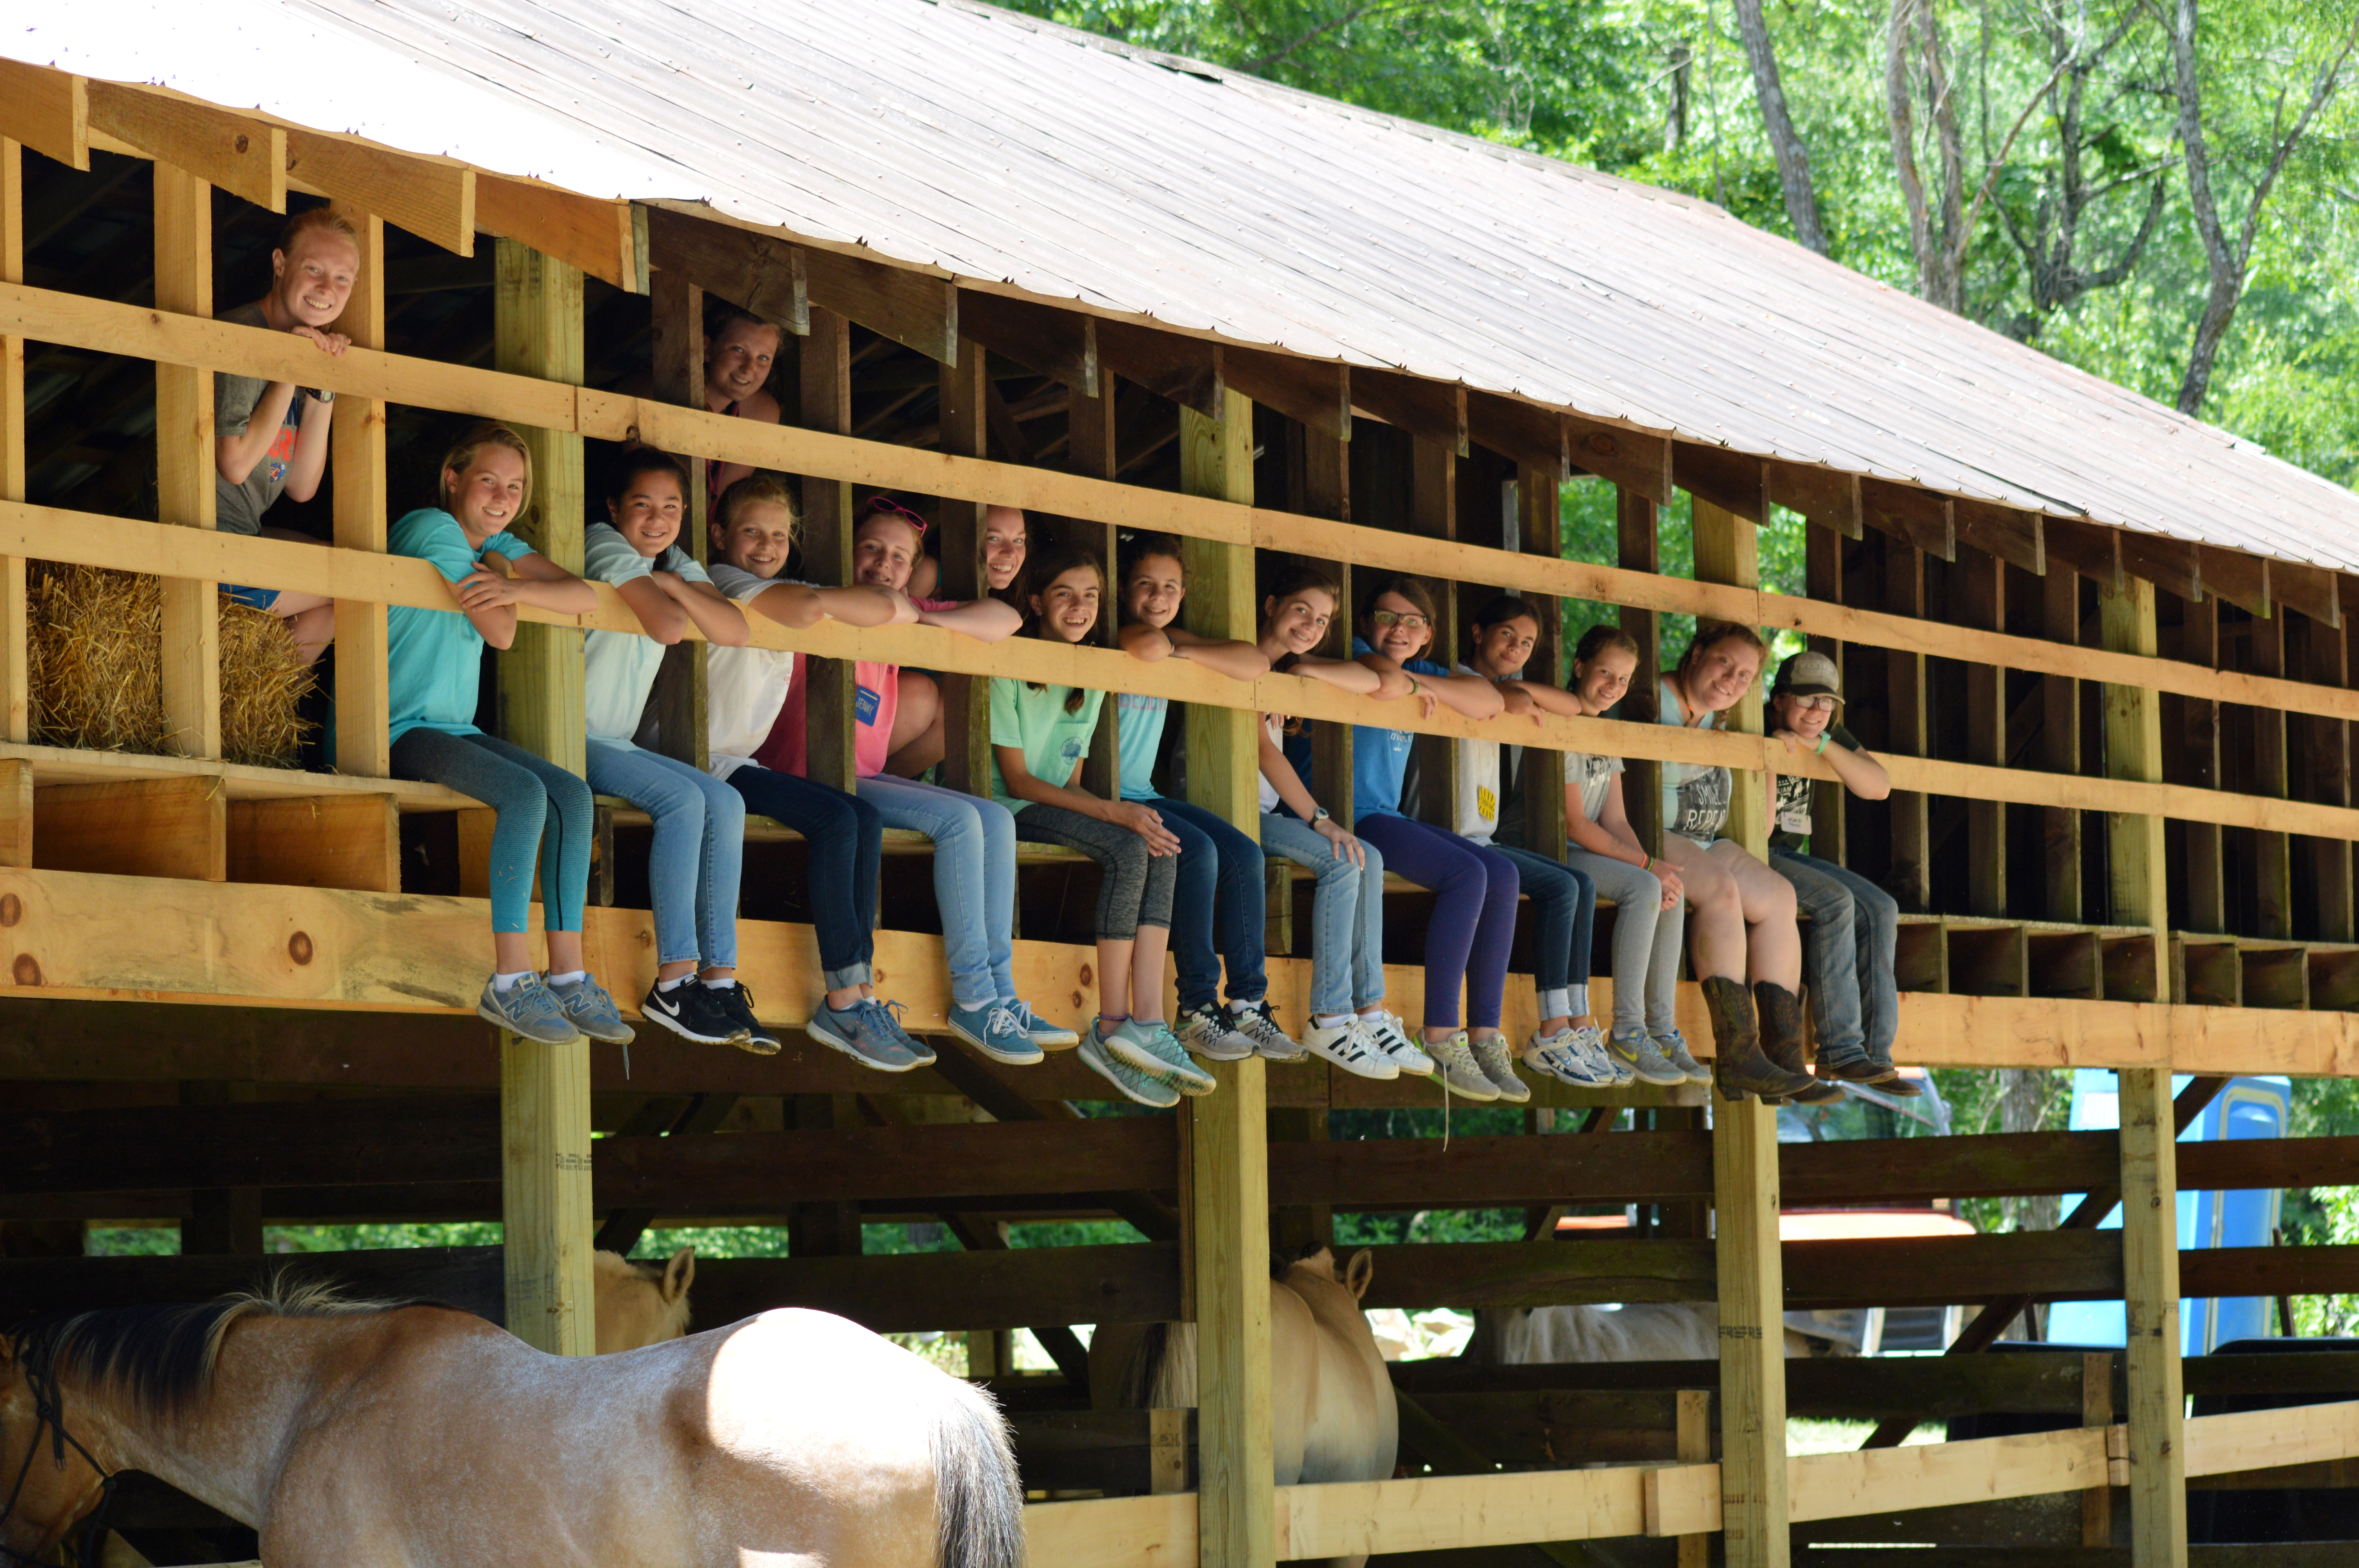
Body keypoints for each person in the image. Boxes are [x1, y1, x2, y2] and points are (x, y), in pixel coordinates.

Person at [751, 493, 1074, 1066]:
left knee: (994, 817)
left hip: (863, 775)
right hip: (808, 776)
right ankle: (974, 999)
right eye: (871, 549)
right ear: (845, 552)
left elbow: (1007, 619)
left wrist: (918, 613)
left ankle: (1002, 993)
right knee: (958, 822)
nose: (883, 564)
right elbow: (859, 606)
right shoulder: (819, 598)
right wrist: (892, 606)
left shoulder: (904, 608)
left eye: (899, 557)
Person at [385, 422, 630, 1047]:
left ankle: (570, 976)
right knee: (524, 797)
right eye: (488, 480)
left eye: (515, 487)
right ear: (453, 479)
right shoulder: (430, 528)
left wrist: (510, 578)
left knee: (572, 796)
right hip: (397, 728)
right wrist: (504, 578)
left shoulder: (494, 544)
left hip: (454, 728)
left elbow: (582, 599)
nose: (502, 497)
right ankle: (510, 980)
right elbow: (502, 632)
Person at [990, 544, 1216, 1107]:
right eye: (1064, 594)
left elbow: (1071, 780)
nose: (1080, 606)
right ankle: (1111, 1024)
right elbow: (1017, 781)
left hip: (1052, 804)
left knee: (1161, 844)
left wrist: (1126, 816)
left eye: (1090, 596)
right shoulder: (1009, 663)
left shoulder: (1090, 673)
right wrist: (1114, 812)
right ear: (1038, 601)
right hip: (1002, 808)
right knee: (1128, 848)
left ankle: (1148, 1021)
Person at [581, 450, 775, 1053]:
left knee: (725, 802)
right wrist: (676, 588)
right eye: (643, 505)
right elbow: (669, 626)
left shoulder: (668, 560)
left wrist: (670, 579)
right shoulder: (603, 543)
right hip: (571, 736)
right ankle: (672, 983)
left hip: (614, 739)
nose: (658, 518)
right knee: (684, 803)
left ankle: (718, 980)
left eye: (671, 507)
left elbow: (736, 631)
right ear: (616, 508)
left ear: (687, 512)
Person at [1114, 534, 1299, 1063]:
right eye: (1145, 584)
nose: (1158, 595)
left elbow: (1254, 663)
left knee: (1245, 853)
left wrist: (1185, 651)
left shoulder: (1172, 640)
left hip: (1143, 792)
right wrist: (1175, 648)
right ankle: (1196, 1006)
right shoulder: (1123, 633)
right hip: (1105, 793)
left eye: (1171, 586)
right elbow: (1147, 647)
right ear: (1125, 588)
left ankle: (1246, 1002)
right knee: (1198, 850)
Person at [1349, 575, 1529, 1104]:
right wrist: (1414, 684)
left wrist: (1426, 686)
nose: (1398, 630)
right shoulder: (1360, 656)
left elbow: (1487, 697)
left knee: (1504, 874)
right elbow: (1381, 676)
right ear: (1366, 624)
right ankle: (1441, 1036)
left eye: (1413, 622)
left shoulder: (1418, 670)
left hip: (1386, 815)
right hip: (1345, 813)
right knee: (1466, 873)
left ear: (1428, 635)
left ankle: (1484, 1036)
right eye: (1387, 617)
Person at [1514, 625, 1706, 1087]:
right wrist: (1646, 868)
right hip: (1548, 849)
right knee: (1645, 884)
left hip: (1586, 849)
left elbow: (1616, 819)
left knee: (1669, 887)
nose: (1613, 686)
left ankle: (1660, 1030)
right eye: (1605, 673)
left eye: (1623, 679)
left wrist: (1656, 867)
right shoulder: (1563, 725)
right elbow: (1576, 823)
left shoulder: (1605, 729)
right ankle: (1627, 1030)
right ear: (1579, 667)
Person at [1253, 565, 1422, 1080]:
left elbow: (1381, 679)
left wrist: (1302, 670)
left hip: (1266, 811)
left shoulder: (1282, 669)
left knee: (1366, 855)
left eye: (1323, 619)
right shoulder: (1247, 664)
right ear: (1271, 604)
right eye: (1302, 609)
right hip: (1233, 810)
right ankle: (1330, 1016)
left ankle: (1369, 1011)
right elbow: (1264, 754)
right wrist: (1320, 819)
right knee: (1341, 860)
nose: (1311, 624)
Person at [1657, 622, 1833, 1103]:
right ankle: (1738, 1053)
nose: (1732, 679)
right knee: (1721, 890)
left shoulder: (1723, 717)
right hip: (1651, 833)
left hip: (1704, 837)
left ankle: (1783, 1057)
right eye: (1724, 663)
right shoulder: (1653, 700)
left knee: (1779, 896)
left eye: (1745, 675)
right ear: (1695, 655)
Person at [1450, 596, 1619, 1089]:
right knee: (1562, 889)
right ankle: (1550, 1030)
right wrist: (1513, 695)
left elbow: (1578, 704)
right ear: (1478, 631)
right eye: (1507, 635)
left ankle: (1576, 1022)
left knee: (1581, 883)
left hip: (1485, 837)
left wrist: (1518, 688)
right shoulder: (1460, 678)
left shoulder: (1505, 687)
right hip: (1457, 835)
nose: (1516, 648)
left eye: (1526, 644)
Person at [1766, 651, 1917, 1096]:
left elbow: (1878, 785)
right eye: (1806, 701)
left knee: (1882, 907)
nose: (1817, 712)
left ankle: (1875, 1056)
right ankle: (1839, 1049)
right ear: (1778, 700)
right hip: (1748, 850)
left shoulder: (1825, 732)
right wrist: (1775, 750)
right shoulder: (1756, 723)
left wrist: (1820, 745)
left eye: (1826, 703)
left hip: (1787, 853)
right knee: (1836, 902)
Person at [213, 206, 358, 662]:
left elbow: (301, 486)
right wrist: (291, 369)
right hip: (204, 544)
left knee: (353, 572)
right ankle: (246, 723)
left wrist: (323, 382)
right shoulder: (242, 336)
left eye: (341, 279)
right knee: (348, 586)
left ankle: (258, 713)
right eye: (314, 269)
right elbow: (235, 465)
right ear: (280, 264)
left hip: (243, 536)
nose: (326, 289)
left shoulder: (299, 344)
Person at [701, 303, 785, 497]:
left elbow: (719, 500)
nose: (749, 368)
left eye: (763, 358)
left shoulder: (761, 412)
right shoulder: (654, 390)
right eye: (738, 350)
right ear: (707, 348)